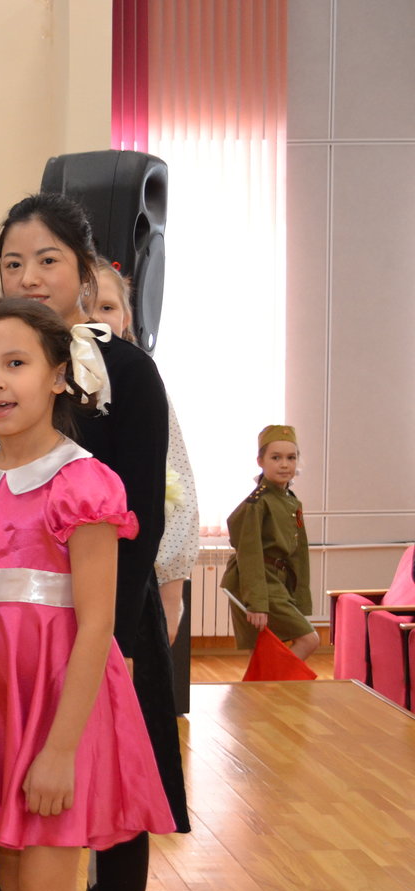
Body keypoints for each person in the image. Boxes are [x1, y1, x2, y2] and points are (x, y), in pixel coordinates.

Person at [0, 298, 174, 891]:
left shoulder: (83, 484)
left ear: (57, 375)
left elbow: (97, 624)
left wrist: (60, 751)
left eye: (15, 363)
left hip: (60, 711)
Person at [0, 193, 188, 891]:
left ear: (85, 272)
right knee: (29, 795)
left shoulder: (128, 370)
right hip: (23, 628)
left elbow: (143, 513)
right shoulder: (0, 364)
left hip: (111, 614)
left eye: (47, 260)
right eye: (13, 262)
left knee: (117, 793)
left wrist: (115, 638)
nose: (29, 277)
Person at [88, 259, 199, 644]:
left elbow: (174, 481)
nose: (94, 318)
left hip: (134, 571)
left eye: (106, 307)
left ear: (126, 318)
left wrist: (172, 583)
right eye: (84, 307)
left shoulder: (140, 381)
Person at [220, 426, 317, 660]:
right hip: (257, 581)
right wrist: (256, 603)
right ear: (260, 461)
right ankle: (277, 682)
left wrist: (301, 599)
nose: (284, 464)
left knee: (263, 655)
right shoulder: (257, 503)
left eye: (291, 458)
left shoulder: (291, 501)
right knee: (309, 640)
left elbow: (299, 554)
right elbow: (249, 555)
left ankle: (268, 684)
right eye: (276, 458)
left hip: (277, 580)